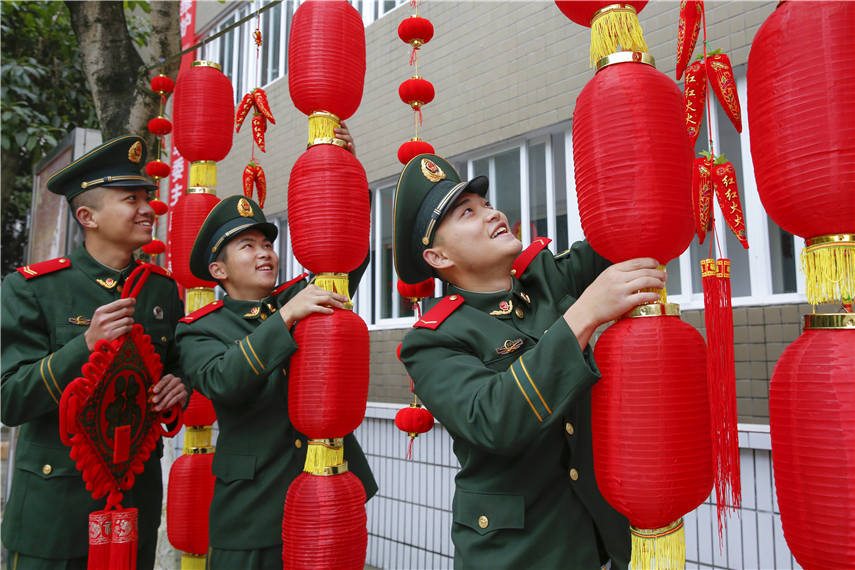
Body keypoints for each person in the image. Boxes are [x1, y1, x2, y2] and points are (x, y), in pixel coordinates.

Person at [394, 154, 668, 569]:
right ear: (438, 258)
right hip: (519, 555)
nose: (492, 214)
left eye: (486, 204)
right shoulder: (433, 341)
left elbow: (623, 228)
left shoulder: (546, 279)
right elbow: (493, 418)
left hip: (597, 540)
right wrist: (584, 314)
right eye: (468, 212)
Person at [175, 149, 377, 567]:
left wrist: (345, 170)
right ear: (218, 270)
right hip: (252, 509)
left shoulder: (296, 297)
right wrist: (284, 318)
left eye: (267, 243)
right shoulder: (199, 327)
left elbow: (348, 257)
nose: (264, 252)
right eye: (247, 246)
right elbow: (220, 381)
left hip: (322, 496)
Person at [1, 135, 189, 570]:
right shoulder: (33, 288)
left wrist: (179, 388)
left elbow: (176, 369)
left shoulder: (160, 289)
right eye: (131, 199)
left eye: (148, 197)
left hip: (132, 503)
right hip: (55, 510)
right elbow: (9, 399)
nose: (148, 209)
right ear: (87, 216)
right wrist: (84, 346)